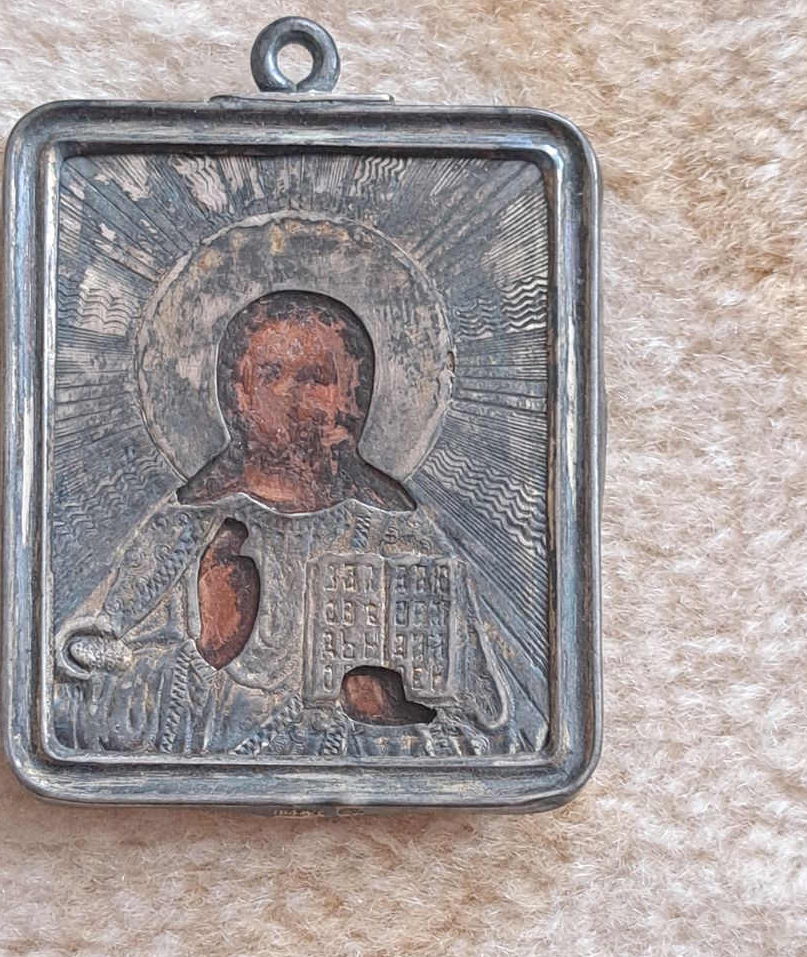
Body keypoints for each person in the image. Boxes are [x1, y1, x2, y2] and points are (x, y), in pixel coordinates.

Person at [53, 291, 545, 759]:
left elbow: (493, 739)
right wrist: (208, 650)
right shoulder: (182, 533)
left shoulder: (399, 538)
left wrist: (388, 714)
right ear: (237, 392)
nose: (292, 394)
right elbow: (79, 709)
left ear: (353, 397)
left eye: (315, 377)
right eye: (271, 373)